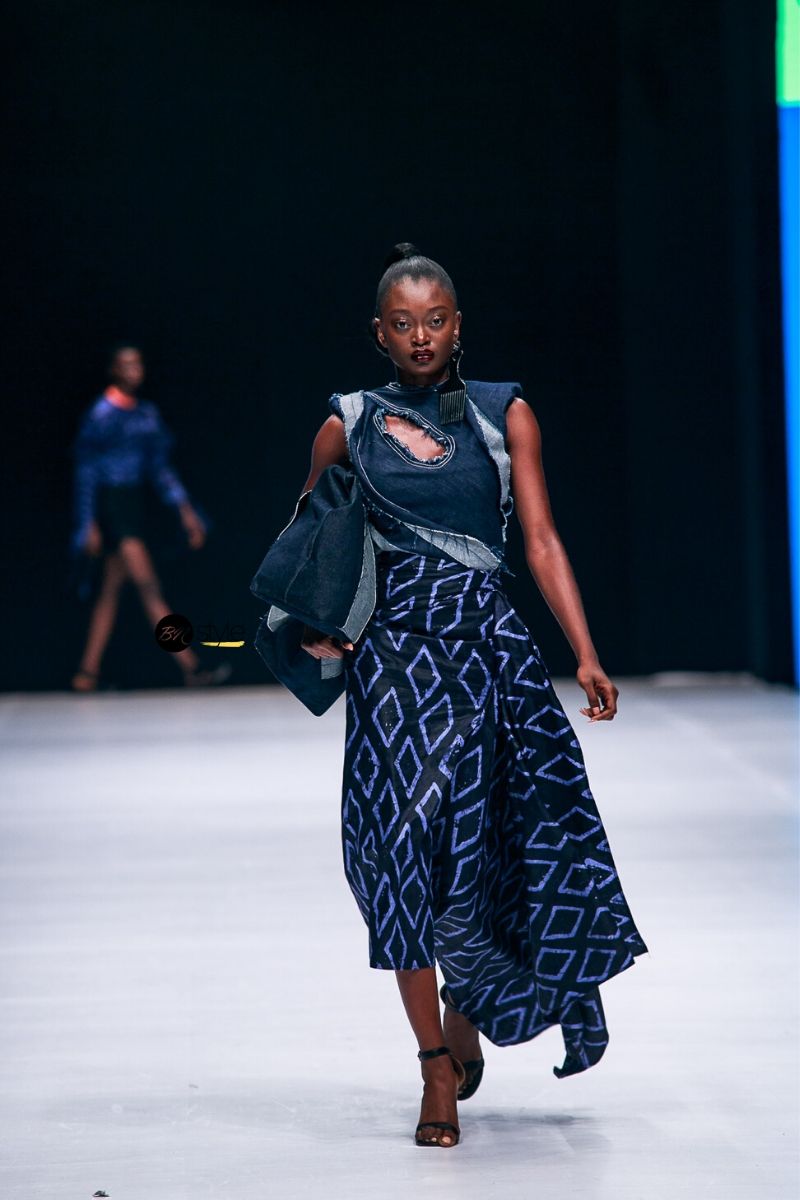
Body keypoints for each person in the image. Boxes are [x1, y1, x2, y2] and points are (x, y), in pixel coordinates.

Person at [299, 244, 648, 1148]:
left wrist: (585, 652)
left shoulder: (503, 412)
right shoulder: (347, 423)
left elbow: (541, 538)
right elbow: (313, 547)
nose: (420, 335)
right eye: (403, 323)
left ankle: (467, 1009)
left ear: (459, 326)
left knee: (486, 853)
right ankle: (434, 1068)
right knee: (400, 854)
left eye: (435, 319)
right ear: (379, 334)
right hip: (394, 670)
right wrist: (316, 626)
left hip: (491, 661)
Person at [70, 344, 230, 691]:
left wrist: (186, 511)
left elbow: (160, 469)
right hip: (113, 506)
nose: (134, 370)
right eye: (126, 365)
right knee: (148, 587)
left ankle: (87, 673)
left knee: (111, 592)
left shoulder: (145, 414)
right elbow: (87, 470)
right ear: (114, 370)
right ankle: (191, 666)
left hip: (134, 504)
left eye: (138, 364)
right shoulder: (102, 413)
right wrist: (87, 522)